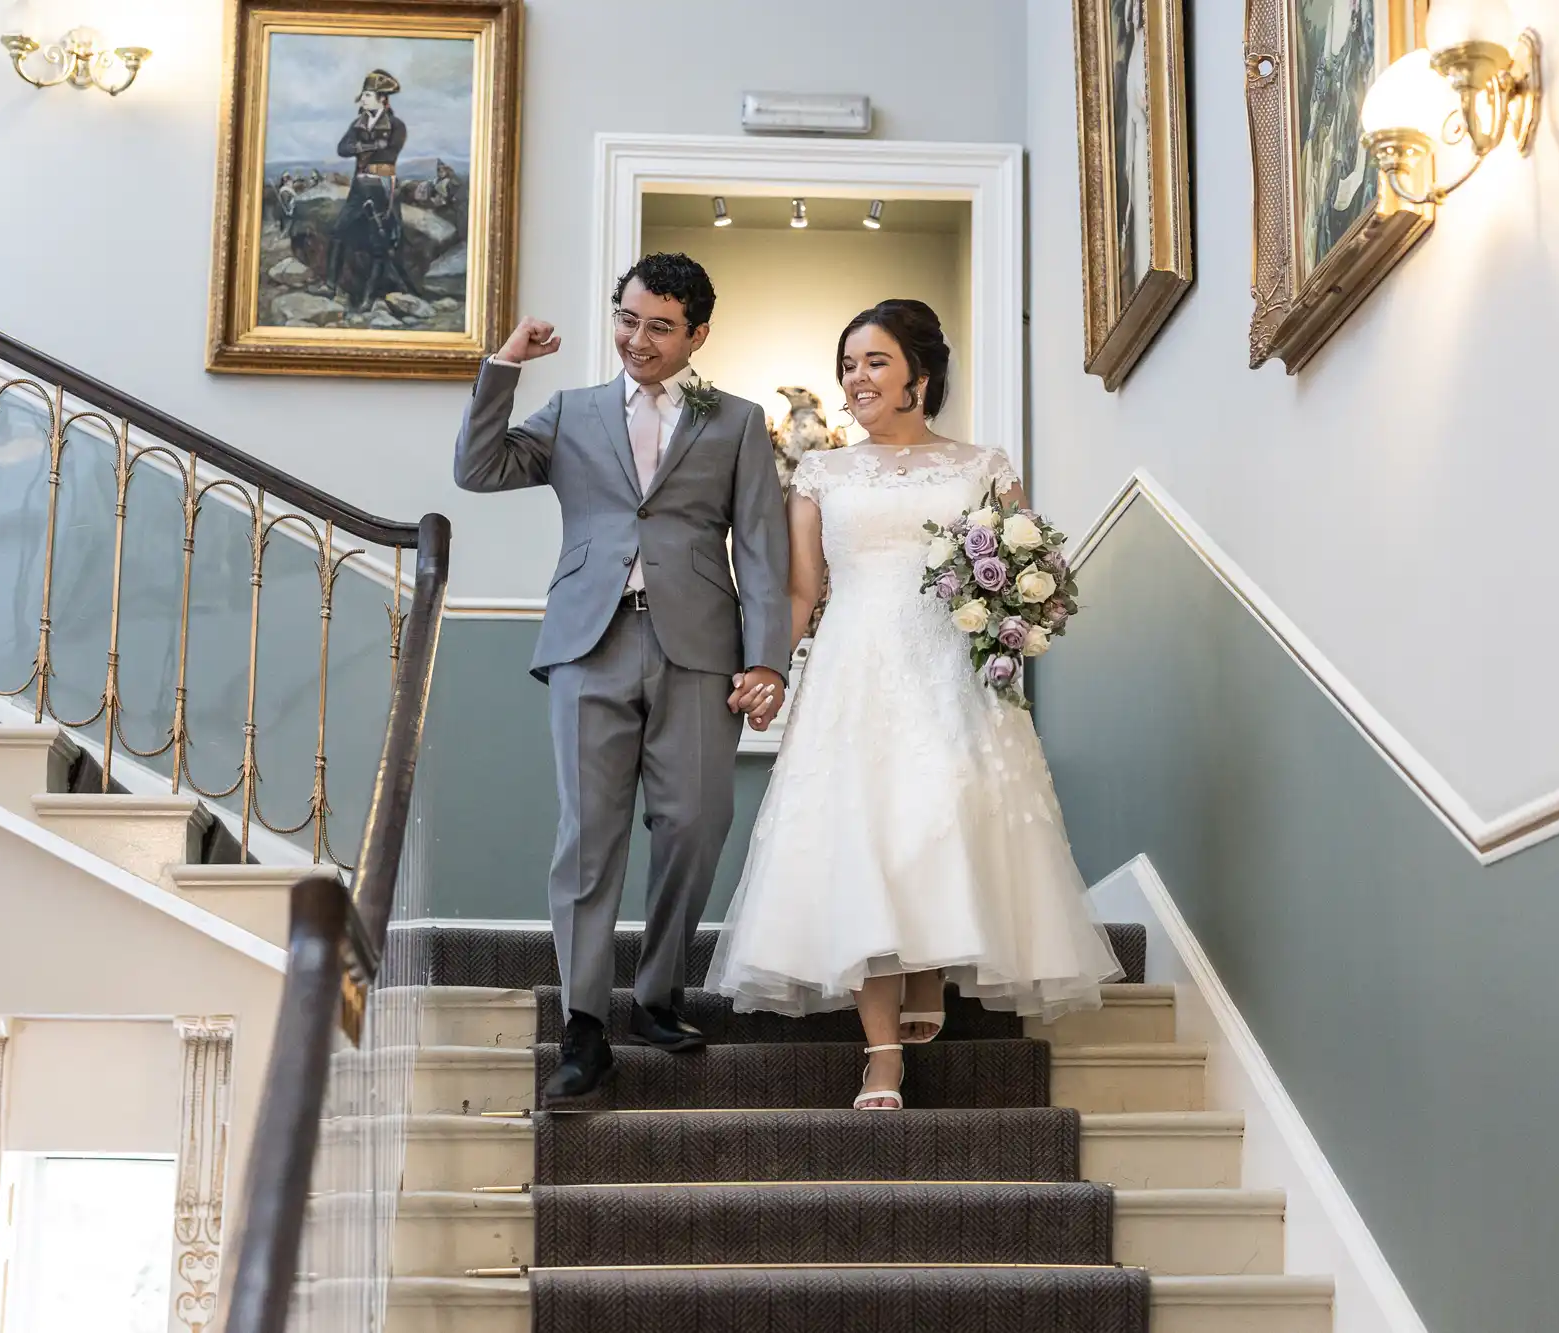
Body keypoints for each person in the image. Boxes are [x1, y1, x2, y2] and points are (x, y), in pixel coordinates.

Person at [704, 299, 1122, 1111]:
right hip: (855, 666)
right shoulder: (822, 472)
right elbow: (802, 589)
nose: (856, 379)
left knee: (935, 819)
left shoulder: (983, 465)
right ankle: (882, 1056)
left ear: (918, 378)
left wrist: (1023, 614)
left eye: (875, 363)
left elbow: (1020, 560)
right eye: (849, 365)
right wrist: (767, 667)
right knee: (866, 831)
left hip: (950, 671)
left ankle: (928, 966)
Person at [453, 254, 792, 1101]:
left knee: (697, 823)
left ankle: (658, 992)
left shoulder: (740, 422)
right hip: (587, 641)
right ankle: (583, 1024)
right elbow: (478, 468)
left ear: (697, 335)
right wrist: (504, 366)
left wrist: (767, 658)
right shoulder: (570, 411)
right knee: (588, 837)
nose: (638, 339)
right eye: (628, 319)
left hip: (701, 648)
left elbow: (759, 546)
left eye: (660, 326)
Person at [322, 68, 424, 306]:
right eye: (364, 95)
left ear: (382, 99)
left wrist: (363, 146)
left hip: (381, 185)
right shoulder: (358, 123)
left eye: (368, 95)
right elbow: (342, 149)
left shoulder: (397, 126)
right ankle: (329, 285)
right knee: (338, 232)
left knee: (380, 242)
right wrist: (367, 146)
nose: (363, 99)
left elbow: (390, 152)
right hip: (360, 185)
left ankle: (369, 299)